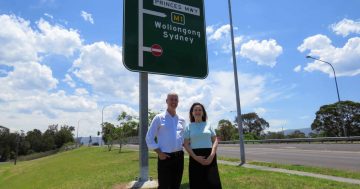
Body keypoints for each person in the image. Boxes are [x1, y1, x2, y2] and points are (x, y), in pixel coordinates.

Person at [146, 93, 186, 189]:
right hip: (165, 157)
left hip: (179, 157)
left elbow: (184, 138)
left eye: (176, 100)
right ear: (166, 101)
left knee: (176, 185)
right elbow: (149, 137)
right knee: (164, 186)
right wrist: (159, 153)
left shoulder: (182, 120)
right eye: (171, 99)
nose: (173, 102)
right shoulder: (159, 118)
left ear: (178, 102)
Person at [183, 102, 222, 189]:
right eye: (195, 110)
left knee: (213, 183)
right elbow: (185, 144)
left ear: (203, 112)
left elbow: (215, 140)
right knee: (197, 183)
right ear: (192, 113)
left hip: (210, 156)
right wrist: (195, 157)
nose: (197, 112)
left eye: (200, 110)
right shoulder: (189, 127)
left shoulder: (209, 125)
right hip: (195, 157)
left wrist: (211, 156)